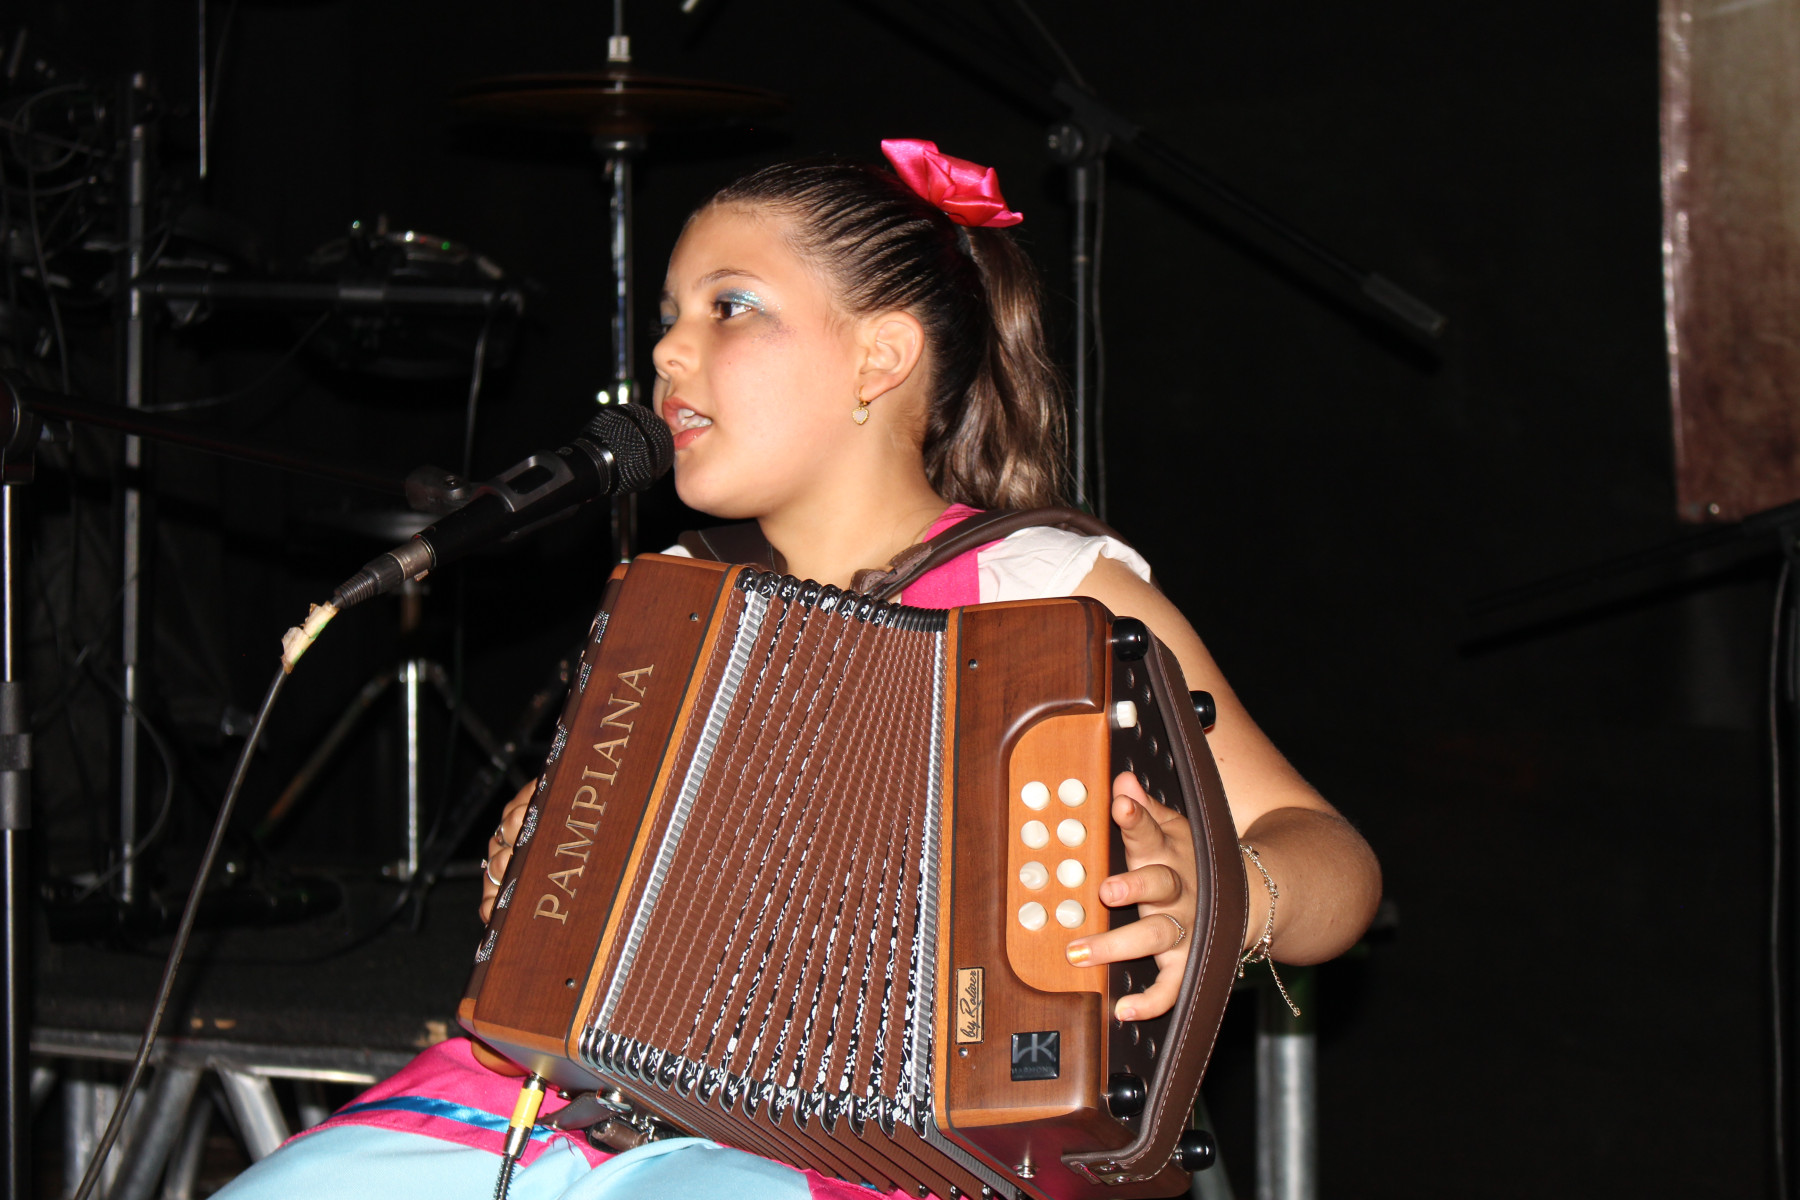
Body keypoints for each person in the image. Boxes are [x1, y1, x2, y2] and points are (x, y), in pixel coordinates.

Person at [216, 139, 1381, 1200]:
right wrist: (548, 865)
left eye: (730, 307)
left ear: (881, 356)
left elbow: (1334, 859)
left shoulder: (1045, 588)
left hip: (892, 1158)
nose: (667, 351)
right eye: (667, 317)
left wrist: (1228, 896)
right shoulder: (676, 597)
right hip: (578, 1105)